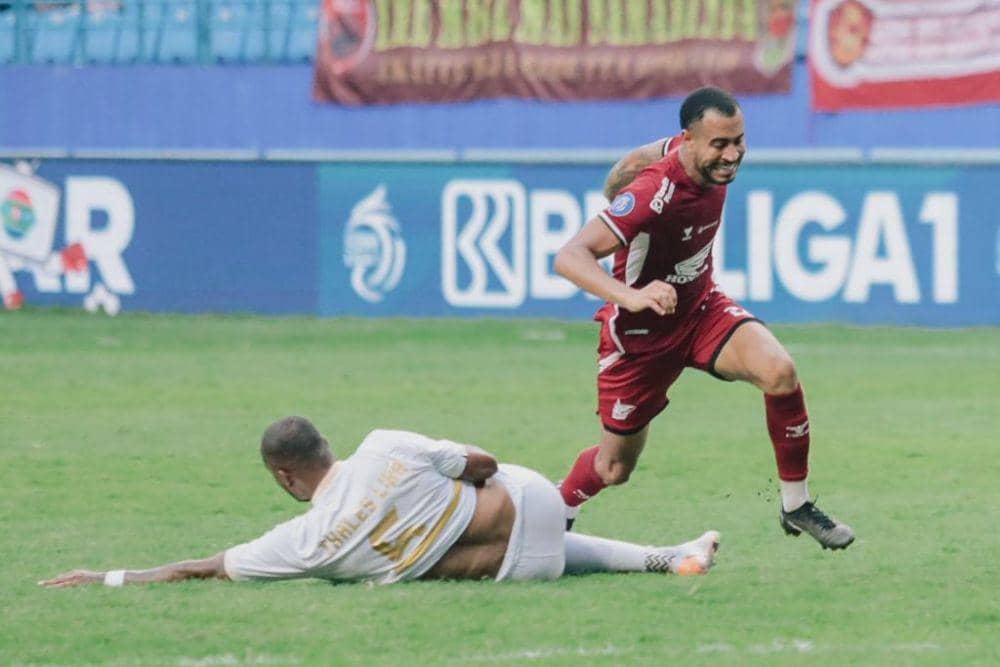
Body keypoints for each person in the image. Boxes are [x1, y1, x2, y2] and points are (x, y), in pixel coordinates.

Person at [553, 86, 854, 550]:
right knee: (614, 469)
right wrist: (629, 296)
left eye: (738, 141)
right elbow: (570, 256)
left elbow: (637, 159)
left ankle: (796, 504)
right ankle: (558, 508)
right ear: (689, 140)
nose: (732, 155)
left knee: (780, 372)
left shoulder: (690, 154)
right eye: (720, 144)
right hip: (640, 339)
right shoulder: (657, 190)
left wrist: (619, 175)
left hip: (699, 311)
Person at [40, 416, 719, 588]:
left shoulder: (302, 543)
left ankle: (666, 556)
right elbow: (480, 462)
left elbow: (203, 567)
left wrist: (109, 576)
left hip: (514, 571)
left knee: (448, 549)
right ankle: (667, 556)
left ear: (283, 476)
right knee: (483, 486)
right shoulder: (383, 444)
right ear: (326, 446)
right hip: (532, 503)